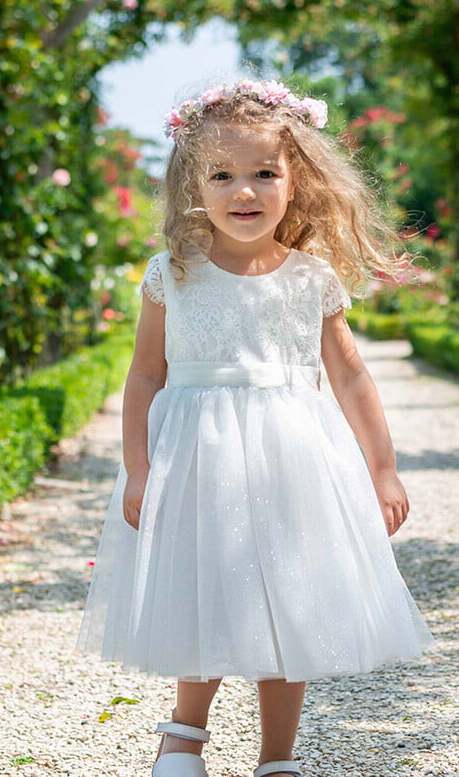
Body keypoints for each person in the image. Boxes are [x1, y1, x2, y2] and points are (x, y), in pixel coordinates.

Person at [76, 78, 436, 777]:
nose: (245, 191)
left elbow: (352, 377)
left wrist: (382, 467)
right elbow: (145, 375)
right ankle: (183, 735)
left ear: (294, 179)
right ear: (194, 183)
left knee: (289, 604)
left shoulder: (311, 278)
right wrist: (140, 467)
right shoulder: (173, 274)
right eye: (223, 174)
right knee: (201, 589)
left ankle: (277, 760)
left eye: (264, 173)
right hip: (197, 462)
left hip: (291, 460)